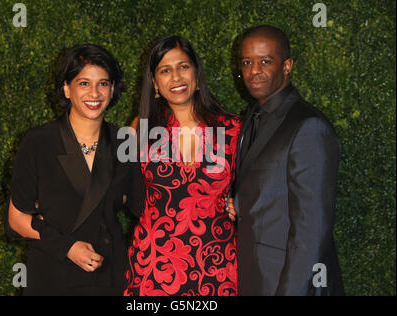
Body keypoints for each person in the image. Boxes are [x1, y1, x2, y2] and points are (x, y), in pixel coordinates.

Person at [5, 44, 135, 295]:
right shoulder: (39, 142)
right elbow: (16, 219)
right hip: (53, 274)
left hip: (109, 275)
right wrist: (68, 247)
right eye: (84, 83)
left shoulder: (123, 142)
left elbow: (142, 201)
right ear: (67, 88)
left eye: (103, 83)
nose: (94, 93)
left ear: (112, 89)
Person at [227, 25, 344, 295]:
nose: (254, 71)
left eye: (265, 61)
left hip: (290, 283)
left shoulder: (309, 126)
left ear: (287, 65)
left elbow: (311, 232)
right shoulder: (251, 119)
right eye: (247, 62)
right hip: (255, 278)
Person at [124, 35, 241, 296]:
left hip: (216, 267)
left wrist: (239, 201)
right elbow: (115, 192)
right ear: (155, 83)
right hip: (153, 269)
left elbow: (256, 188)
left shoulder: (233, 130)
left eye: (183, 67)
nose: (176, 77)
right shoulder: (140, 130)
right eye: (165, 70)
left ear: (196, 74)